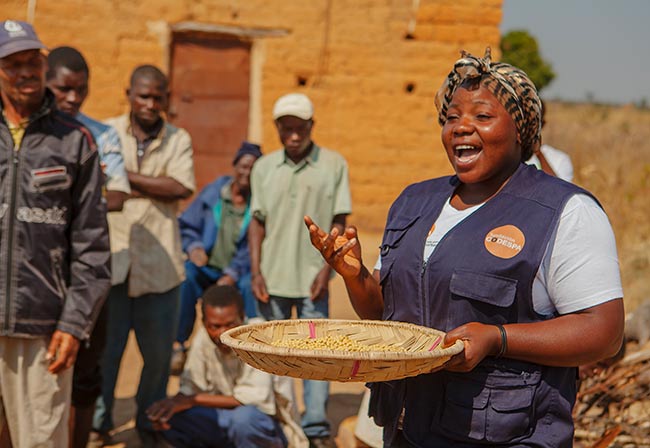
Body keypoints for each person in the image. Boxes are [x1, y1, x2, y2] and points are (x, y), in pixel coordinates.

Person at [305, 48, 625, 447]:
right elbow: (385, 315)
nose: (460, 127)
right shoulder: (413, 203)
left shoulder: (564, 211)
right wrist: (356, 278)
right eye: (452, 117)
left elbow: (605, 331)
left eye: (482, 116)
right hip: (407, 429)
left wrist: (497, 338)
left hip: (503, 435)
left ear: (520, 129)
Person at [0, 20, 111, 447]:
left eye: (32, 61)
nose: (25, 72)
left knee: (41, 440)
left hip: (45, 327)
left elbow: (93, 248)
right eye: (13, 64)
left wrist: (74, 323)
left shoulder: (74, 141)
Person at [93, 65, 195, 446]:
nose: (151, 104)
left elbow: (178, 186)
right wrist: (148, 185)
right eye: (143, 96)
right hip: (113, 264)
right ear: (129, 95)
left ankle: (149, 423)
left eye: (158, 97)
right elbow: (99, 188)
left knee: (156, 361)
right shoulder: (105, 132)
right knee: (106, 354)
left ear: (167, 98)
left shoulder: (178, 138)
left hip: (161, 268)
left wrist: (123, 178)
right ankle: (99, 423)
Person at [248, 93, 352, 448]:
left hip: (313, 279)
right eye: (286, 129)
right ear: (278, 129)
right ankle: (275, 418)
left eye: (300, 128)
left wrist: (328, 271)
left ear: (311, 127)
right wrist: (255, 271)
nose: (293, 136)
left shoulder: (333, 165)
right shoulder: (263, 168)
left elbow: (339, 220)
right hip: (272, 276)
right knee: (273, 353)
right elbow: (257, 223)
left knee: (315, 354)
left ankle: (316, 426)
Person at [45, 46, 131, 448]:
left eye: (81, 90)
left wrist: (60, 198)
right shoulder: (28, 133)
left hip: (86, 269)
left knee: (84, 370)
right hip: (38, 272)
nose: (73, 99)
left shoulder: (100, 135)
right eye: (63, 89)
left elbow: (115, 195)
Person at [146, 284, 308, 448]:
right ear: (204, 323)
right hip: (223, 419)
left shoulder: (259, 335)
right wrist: (170, 406)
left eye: (230, 325)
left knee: (243, 420)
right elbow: (191, 387)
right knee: (172, 417)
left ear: (243, 317)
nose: (222, 334)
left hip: (262, 423)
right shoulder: (202, 339)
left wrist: (191, 400)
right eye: (215, 326)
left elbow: (249, 399)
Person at [171, 141, 263, 375]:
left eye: (253, 168)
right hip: (207, 268)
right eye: (243, 166)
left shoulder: (258, 203)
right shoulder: (214, 193)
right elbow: (188, 225)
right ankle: (178, 344)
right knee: (187, 276)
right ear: (234, 166)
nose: (247, 173)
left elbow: (255, 245)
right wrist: (194, 247)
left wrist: (232, 273)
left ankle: (250, 349)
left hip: (237, 271)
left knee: (248, 287)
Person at [527, 99, 574, 182]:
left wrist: (539, 154)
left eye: (534, 122)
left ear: (543, 124)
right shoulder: (507, 155)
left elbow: (559, 191)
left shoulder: (560, 160)